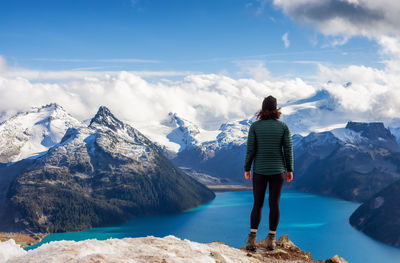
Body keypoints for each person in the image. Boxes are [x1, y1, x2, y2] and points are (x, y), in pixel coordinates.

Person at [244, 95, 294, 251]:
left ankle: (252, 240)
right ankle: (271, 240)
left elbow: (251, 150)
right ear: (276, 109)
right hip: (278, 171)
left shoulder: (255, 127)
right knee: (274, 204)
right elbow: (288, 150)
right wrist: (289, 169)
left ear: (262, 109)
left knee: (257, 204)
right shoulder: (283, 127)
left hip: (259, 171)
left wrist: (247, 167)